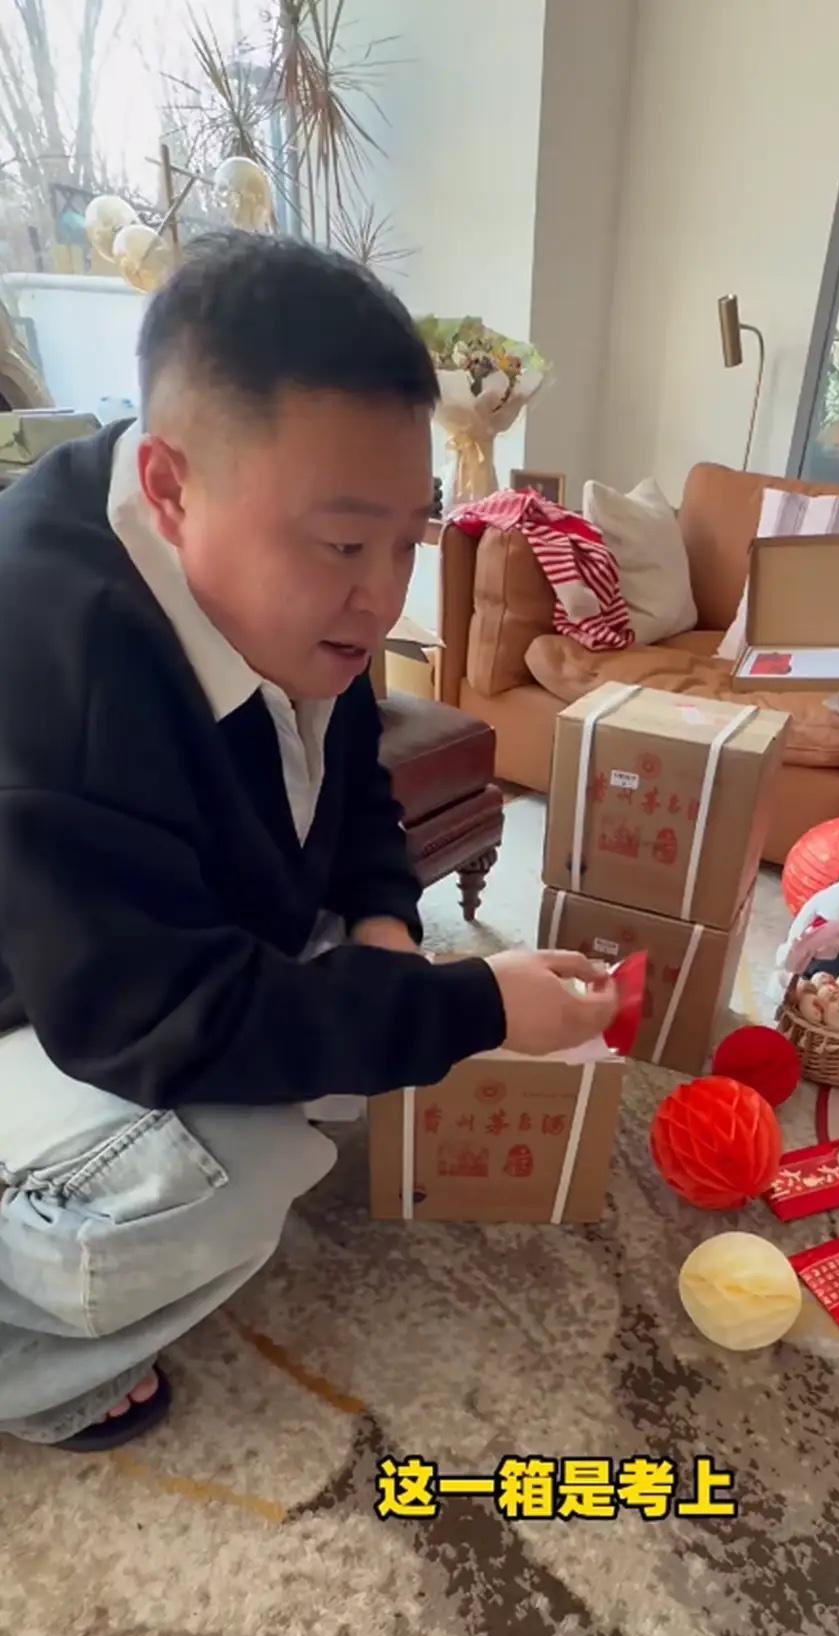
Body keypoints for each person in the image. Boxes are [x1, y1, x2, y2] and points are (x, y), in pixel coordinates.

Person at [0, 233, 616, 1453]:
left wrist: (387, 924)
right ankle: (22, 1354)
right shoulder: (52, 656)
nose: (383, 595)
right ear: (170, 487)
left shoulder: (275, 575)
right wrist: (476, 1006)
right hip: (51, 1000)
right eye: (344, 544)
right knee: (235, 1180)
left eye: (409, 538)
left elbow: (349, 772)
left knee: (350, 1053)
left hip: (140, 947)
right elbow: (155, 1017)